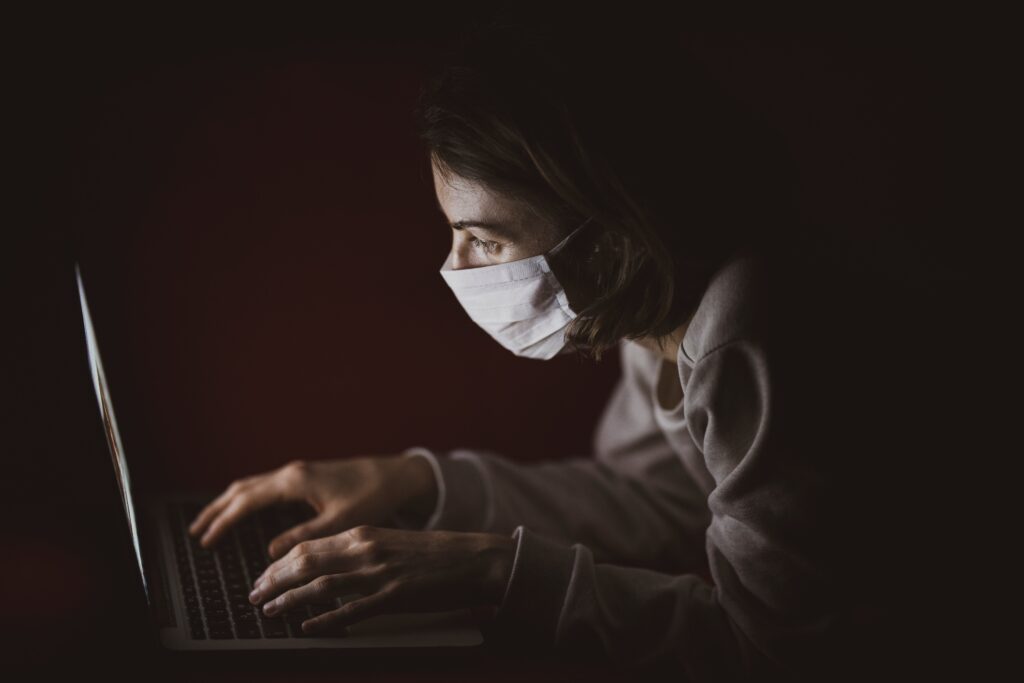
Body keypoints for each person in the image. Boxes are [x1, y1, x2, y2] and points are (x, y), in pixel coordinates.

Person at [187, 17, 960, 681]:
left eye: (483, 238)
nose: (455, 268)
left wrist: (492, 570)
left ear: (610, 235)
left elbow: (771, 653)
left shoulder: (751, 332)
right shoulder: (651, 301)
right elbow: (661, 500)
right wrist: (415, 483)